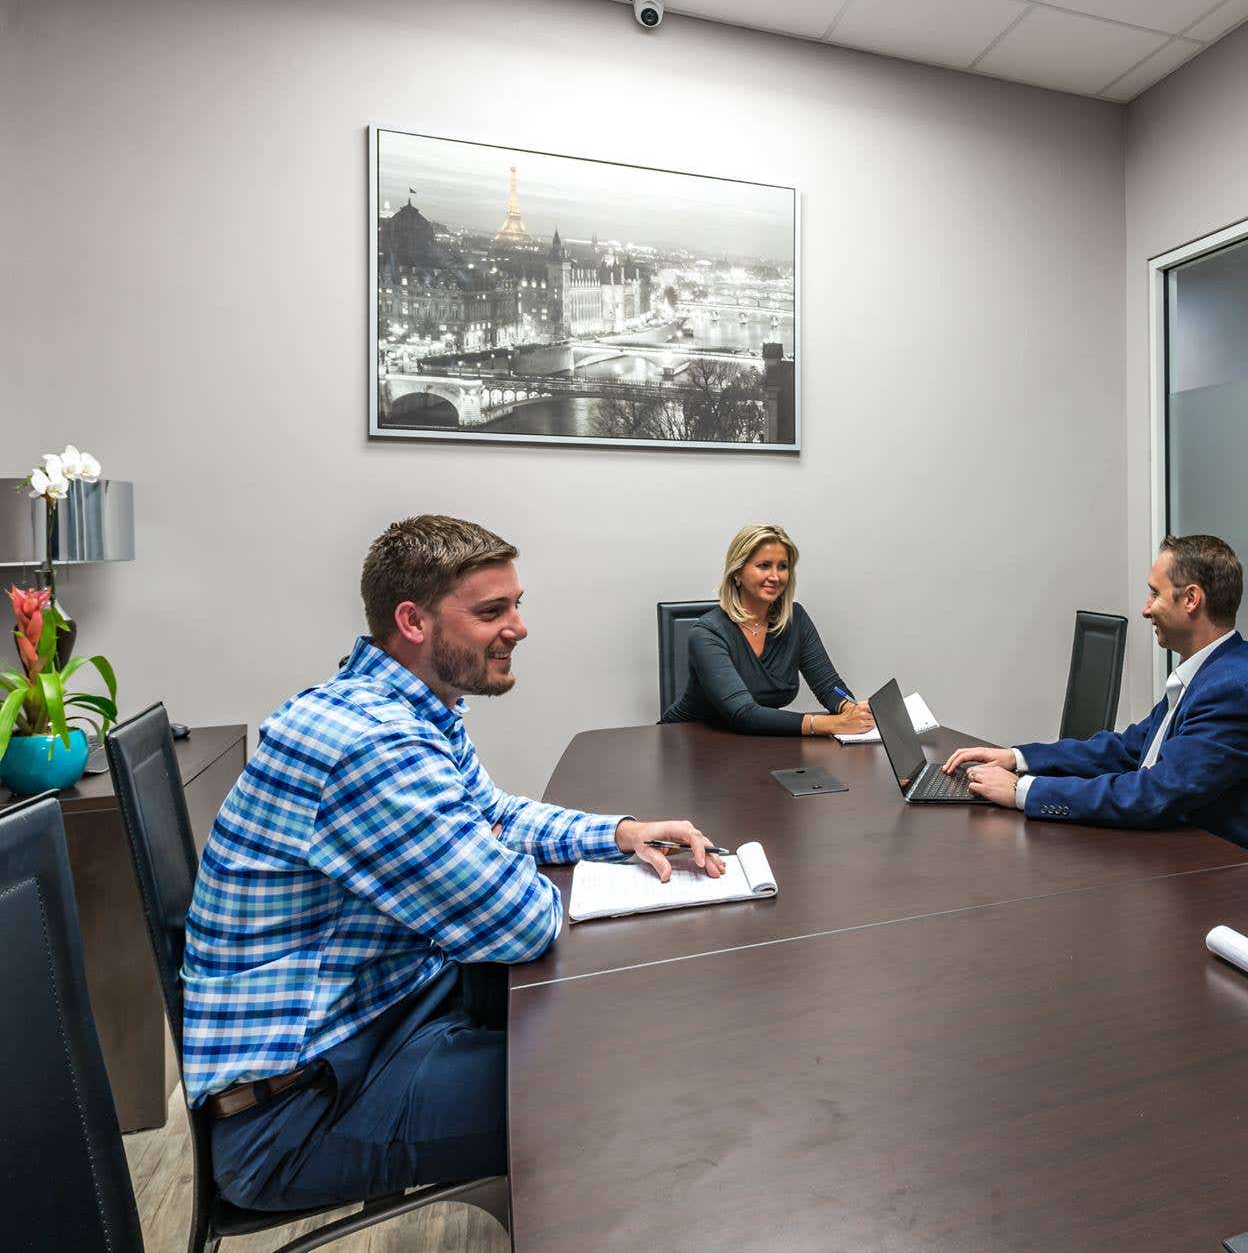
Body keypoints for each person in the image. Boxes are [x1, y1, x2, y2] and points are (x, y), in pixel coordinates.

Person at [183, 515, 726, 1211]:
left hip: (378, 1014)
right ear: (412, 620)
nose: (520, 627)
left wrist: (617, 833)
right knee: (630, 1084)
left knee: (621, 1023)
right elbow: (521, 921)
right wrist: (486, 863)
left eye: (517, 604)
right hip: (297, 1112)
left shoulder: (402, 707)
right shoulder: (371, 745)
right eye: (492, 611)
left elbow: (492, 816)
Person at [943, 533, 1248, 866]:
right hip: (1181, 853)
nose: (1145, 609)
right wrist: (1018, 758)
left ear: (1190, 599)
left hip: (1226, 882)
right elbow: (1126, 749)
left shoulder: (1232, 690)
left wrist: (1024, 792)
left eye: (1154, 594)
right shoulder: (1210, 672)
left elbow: (1155, 793)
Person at [661, 523, 874, 736]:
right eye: (764, 565)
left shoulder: (795, 618)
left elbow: (829, 686)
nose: (775, 576)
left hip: (750, 743)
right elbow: (744, 713)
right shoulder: (707, 632)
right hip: (686, 741)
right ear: (737, 573)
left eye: (782, 566)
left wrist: (850, 709)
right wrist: (834, 724)